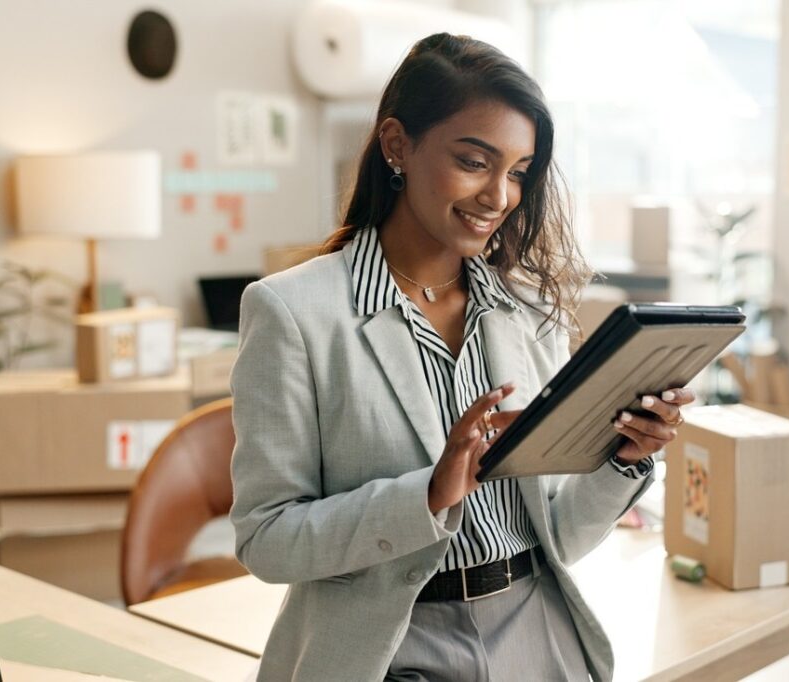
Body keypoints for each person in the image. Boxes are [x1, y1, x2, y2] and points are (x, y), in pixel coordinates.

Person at [229, 32, 694, 682]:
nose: (499, 196)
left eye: (517, 171)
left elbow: (557, 538)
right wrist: (428, 493)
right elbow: (266, 540)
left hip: (537, 634)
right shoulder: (292, 312)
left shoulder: (529, 313)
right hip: (390, 651)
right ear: (397, 145)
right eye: (475, 161)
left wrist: (623, 462)